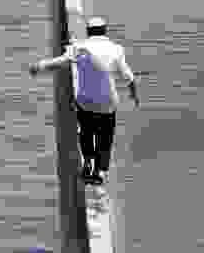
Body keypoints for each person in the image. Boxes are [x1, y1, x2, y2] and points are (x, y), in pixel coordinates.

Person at [28, 16, 138, 185]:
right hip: (107, 103)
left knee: (86, 132)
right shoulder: (116, 49)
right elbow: (129, 77)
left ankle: (87, 162)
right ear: (105, 31)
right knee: (105, 137)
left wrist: (39, 66)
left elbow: (59, 62)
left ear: (88, 31)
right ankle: (99, 172)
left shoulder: (78, 48)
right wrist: (134, 95)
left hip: (85, 102)